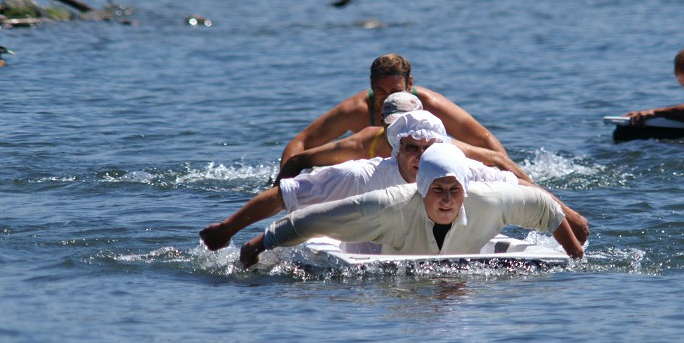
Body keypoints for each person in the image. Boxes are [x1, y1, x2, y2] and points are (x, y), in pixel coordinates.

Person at [201, 111, 589, 251]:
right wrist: (228, 229)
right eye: (411, 149)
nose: (420, 158)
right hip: (370, 260)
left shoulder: (462, 173)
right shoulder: (362, 175)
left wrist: (570, 216)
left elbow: (521, 189)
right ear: (395, 150)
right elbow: (286, 196)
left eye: (428, 149)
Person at [240, 143, 584, 267]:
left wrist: (575, 259)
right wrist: (257, 245)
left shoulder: (491, 198)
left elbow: (546, 209)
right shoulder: (388, 206)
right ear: (421, 190)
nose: (447, 199)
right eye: (437, 190)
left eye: (454, 189)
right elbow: (310, 221)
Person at [279, 53, 507, 171]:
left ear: (410, 85)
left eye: (395, 90)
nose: (387, 97)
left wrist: (508, 179)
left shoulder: (431, 104)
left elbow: (483, 139)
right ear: (370, 85)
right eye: (379, 90)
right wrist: (281, 187)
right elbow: (301, 142)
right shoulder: (356, 110)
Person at [276, 91, 531, 185]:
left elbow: (498, 158)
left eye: (411, 127)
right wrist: (282, 198)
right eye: (396, 127)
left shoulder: (441, 147)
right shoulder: (360, 144)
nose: (404, 135)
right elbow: (297, 161)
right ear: (382, 121)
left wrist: (536, 195)